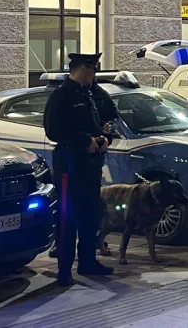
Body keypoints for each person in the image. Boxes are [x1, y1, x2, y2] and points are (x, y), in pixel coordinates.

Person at [44, 53, 114, 285]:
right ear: (84, 69)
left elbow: (102, 125)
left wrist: (104, 138)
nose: (93, 75)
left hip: (90, 166)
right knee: (68, 218)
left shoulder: (90, 95)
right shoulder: (62, 95)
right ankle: (64, 270)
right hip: (70, 165)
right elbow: (54, 131)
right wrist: (85, 141)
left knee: (89, 215)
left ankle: (87, 261)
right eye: (92, 70)